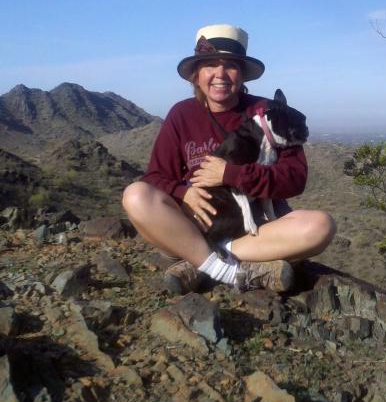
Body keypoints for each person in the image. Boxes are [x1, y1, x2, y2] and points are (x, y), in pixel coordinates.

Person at [122, 24, 336, 294]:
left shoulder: (269, 113)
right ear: (196, 75)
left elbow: (294, 178)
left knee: (320, 226)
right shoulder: (181, 114)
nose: (220, 74)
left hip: (255, 231)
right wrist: (183, 194)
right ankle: (232, 269)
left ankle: (204, 262)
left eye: (231, 66)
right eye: (210, 65)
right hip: (197, 225)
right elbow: (154, 177)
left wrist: (230, 175)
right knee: (135, 196)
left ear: (242, 74)